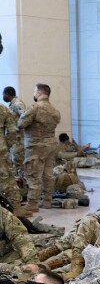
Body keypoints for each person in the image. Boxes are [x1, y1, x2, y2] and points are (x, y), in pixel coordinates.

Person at [17, 83, 61, 213]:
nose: (33, 94)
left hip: (35, 146)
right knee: (48, 175)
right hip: (51, 145)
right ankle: (47, 201)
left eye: (34, 91)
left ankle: (32, 203)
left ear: (39, 93)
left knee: (33, 175)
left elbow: (21, 124)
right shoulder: (55, 111)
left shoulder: (34, 108)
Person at [3, 86, 26, 176]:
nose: (3, 97)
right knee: (15, 162)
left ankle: (22, 186)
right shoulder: (13, 104)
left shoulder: (18, 103)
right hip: (14, 140)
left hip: (18, 139)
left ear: (7, 94)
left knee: (19, 162)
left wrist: (17, 128)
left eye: (3, 94)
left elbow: (25, 117)